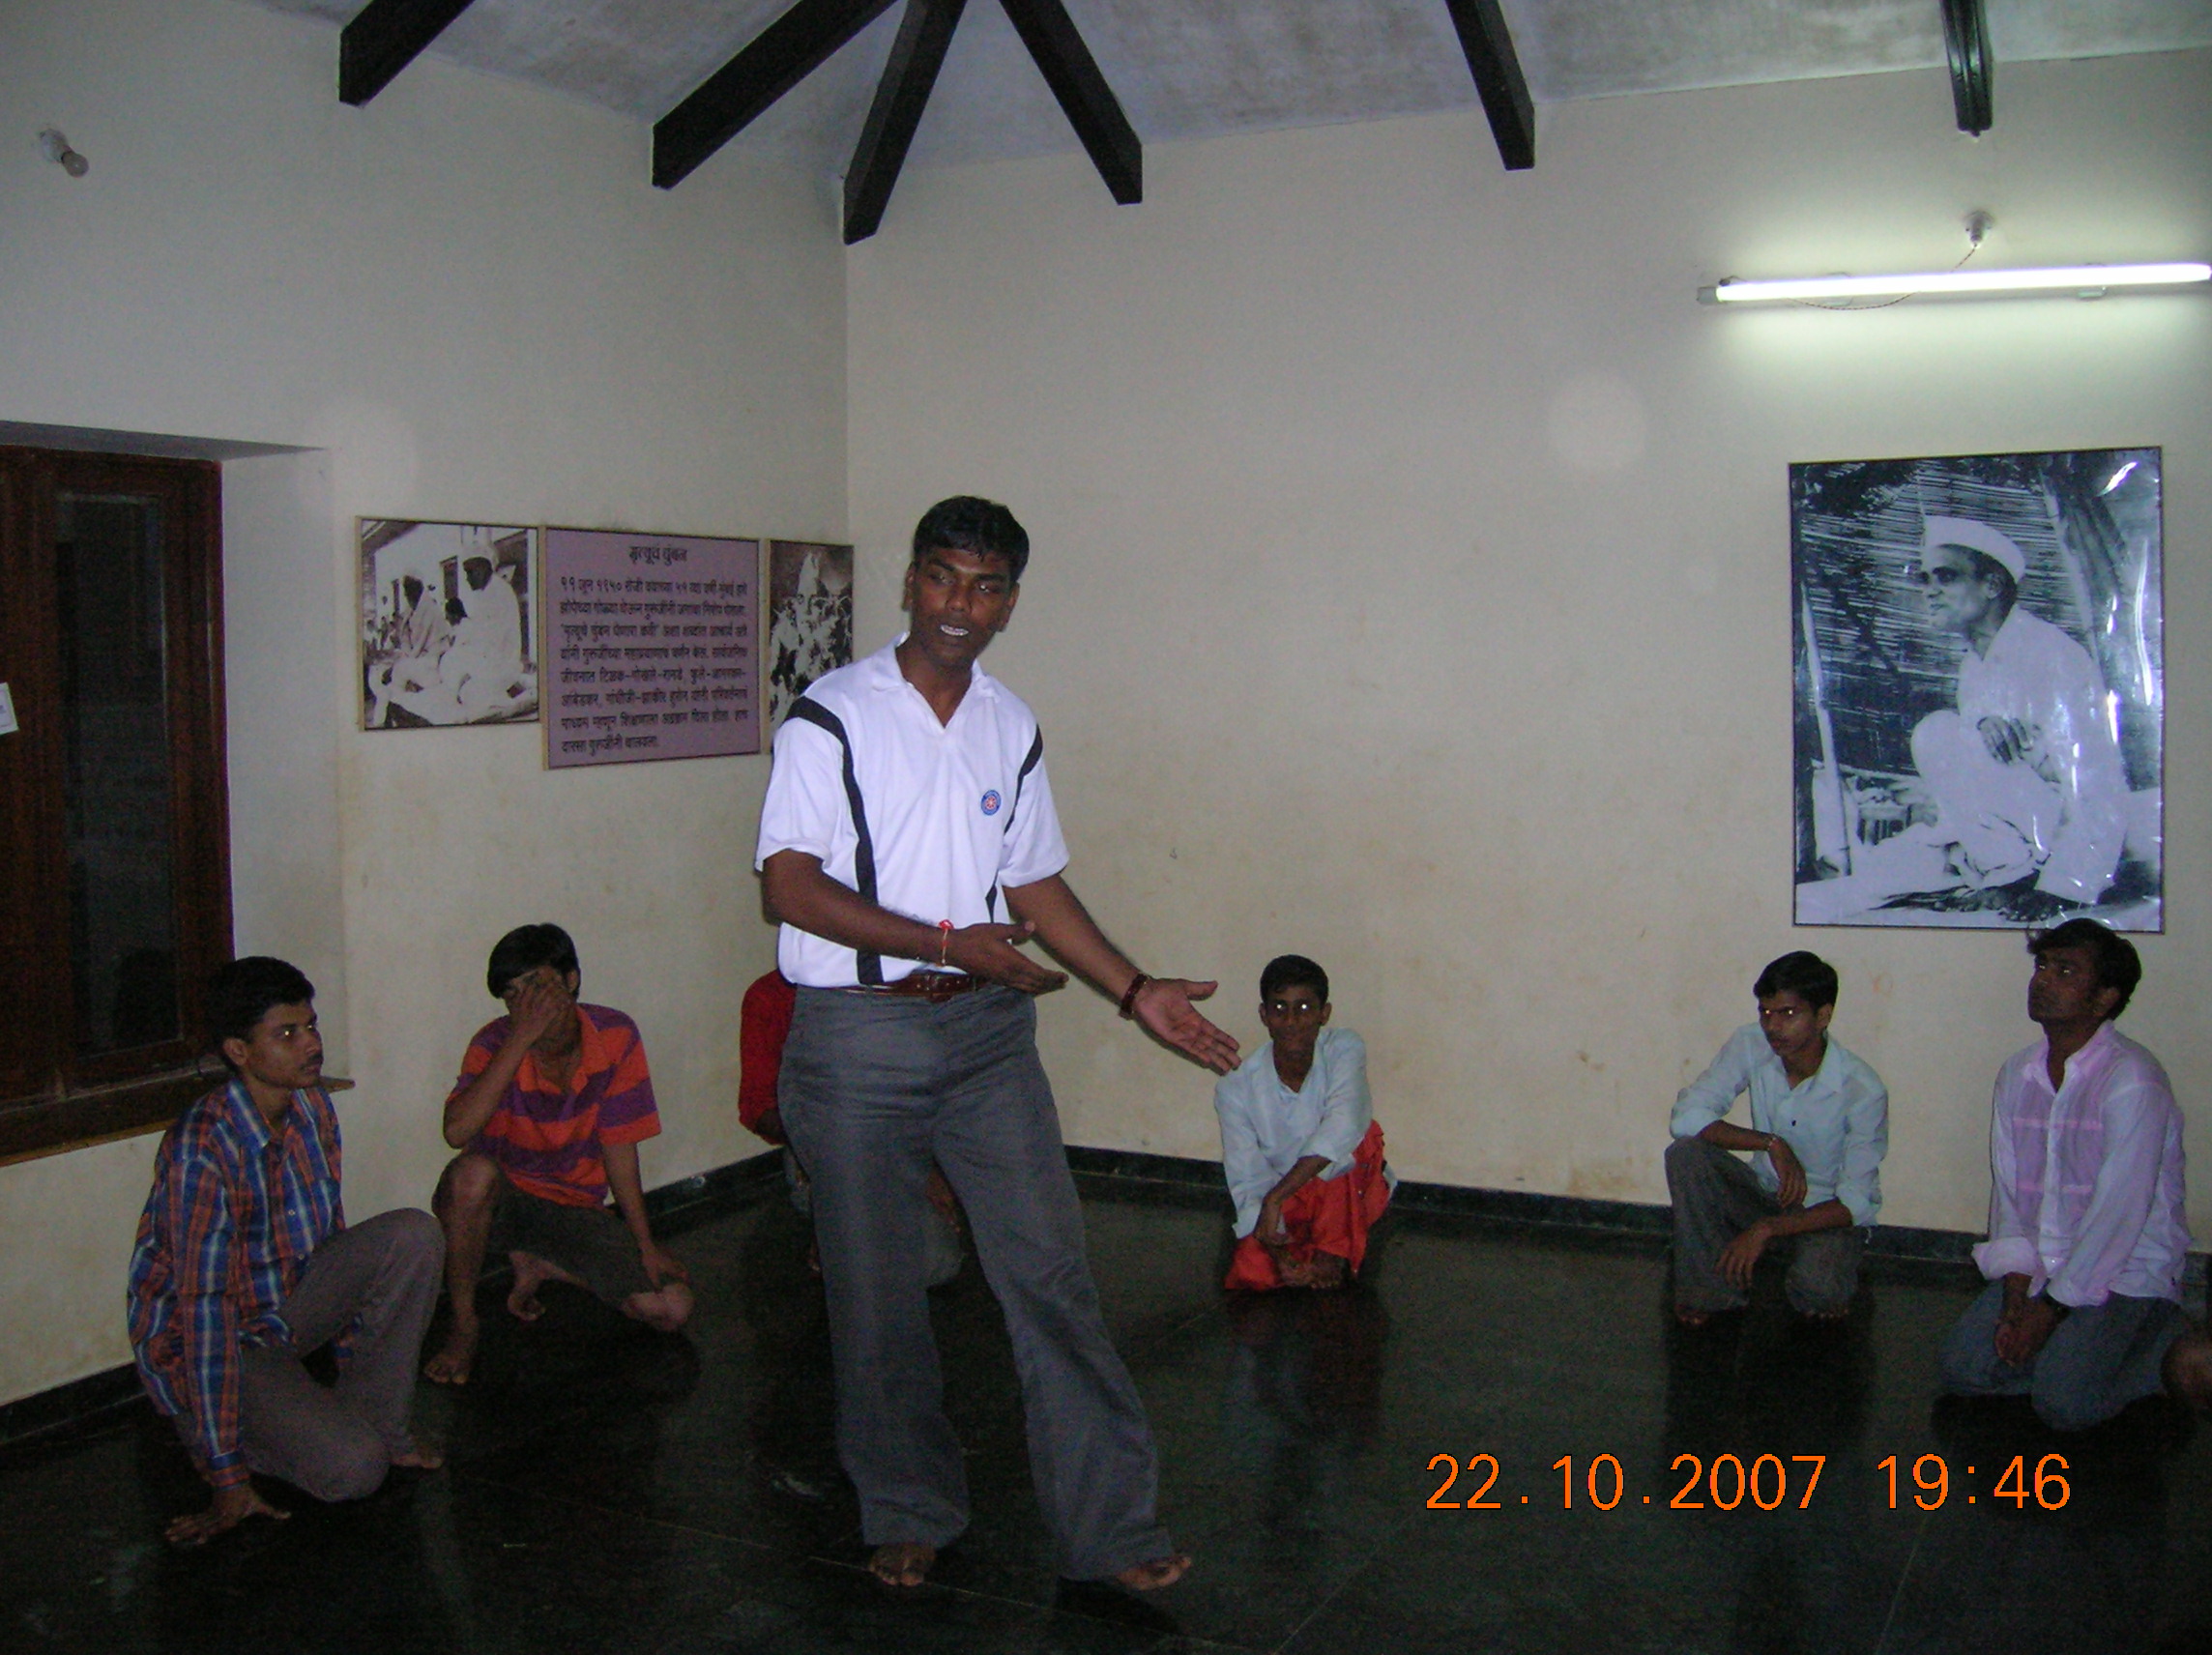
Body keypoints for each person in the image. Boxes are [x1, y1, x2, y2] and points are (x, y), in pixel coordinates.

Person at [755, 495, 1239, 1592]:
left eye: (984, 587)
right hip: (856, 1042)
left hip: (984, 1037)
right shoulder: (830, 717)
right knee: (878, 1294)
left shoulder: (1009, 725)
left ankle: (1111, 1531)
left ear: (1009, 602)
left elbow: (1032, 880)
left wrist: (1134, 989)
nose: (958, 605)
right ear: (909, 582)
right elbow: (789, 887)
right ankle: (908, 1507)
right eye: (941, 577)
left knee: (1051, 1276)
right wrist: (942, 940)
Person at [128, 957, 444, 1546]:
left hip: (282, 1311)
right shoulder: (202, 1151)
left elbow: (330, 1243)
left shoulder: (312, 1107)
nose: (312, 1044)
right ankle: (206, 1432)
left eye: (312, 1026)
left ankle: (381, 1426)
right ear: (239, 1051)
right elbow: (203, 1313)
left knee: (415, 1234)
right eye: (288, 1033)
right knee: (355, 1470)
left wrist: (355, 1376)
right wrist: (228, 1479)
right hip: (217, 1342)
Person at [1939, 919, 2193, 1429]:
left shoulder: (2132, 1080)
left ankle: (2165, 1340)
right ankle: (2071, 1359)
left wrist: (2048, 1312)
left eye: (2066, 971)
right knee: (1962, 1369)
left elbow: (2118, 1218)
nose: (2042, 980)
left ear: (2105, 998)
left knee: (2064, 1406)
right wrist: (2016, 1296)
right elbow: (2009, 1198)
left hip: (2125, 1271)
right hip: (2046, 1263)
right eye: (2042, 966)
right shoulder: (2018, 1074)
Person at [1809, 516, 2126, 919]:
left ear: (1991, 586)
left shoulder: (2053, 654)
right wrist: (1980, 728)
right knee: (1880, 875)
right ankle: (1998, 869)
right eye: (1924, 579)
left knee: (1936, 731)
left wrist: (2063, 886)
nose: (1930, 591)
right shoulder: (1973, 666)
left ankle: (2013, 877)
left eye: (1946, 577)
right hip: (2011, 834)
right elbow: (1979, 779)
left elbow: (2098, 784)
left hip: (2061, 834)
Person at [422, 924, 691, 1385]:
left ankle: (544, 1263)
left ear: (571, 980)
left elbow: (620, 1147)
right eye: (513, 993)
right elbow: (456, 1131)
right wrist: (520, 1039)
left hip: (574, 1208)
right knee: (471, 1174)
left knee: (672, 1308)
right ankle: (464, 1324)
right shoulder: (494, 1042)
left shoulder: (615, 1035)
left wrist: (643, 1244)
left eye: (537, 985)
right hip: (501, 1201)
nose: (526, 1003)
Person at [1666, 951, 1888, 1326]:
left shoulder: (1862, 1089)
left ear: (1823, 1016)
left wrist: (1766, 1228)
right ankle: (1709, 1290)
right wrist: (1771, 1143)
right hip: (1764, 1193)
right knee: (1686, 1154)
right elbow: (1687, 1116)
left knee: (1819, 1292)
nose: (1773, 1026)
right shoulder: (1752, 1043)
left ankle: (1782, 1251)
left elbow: (1857, 1202)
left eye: (1788, 1013)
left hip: (1823, 1213)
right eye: (1765, 1012)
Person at [740, 966, 964, 1286]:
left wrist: (928, 1166)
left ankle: (851, 1238)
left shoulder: (891, 986)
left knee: (939, 1261)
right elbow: (759, 1108)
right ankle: (845, 1235)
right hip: (822, 1149)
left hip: (902, 1142)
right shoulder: (769, 996)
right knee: (927, 1260)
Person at [1213, 954, 1394, 1292]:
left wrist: (1275, 1199)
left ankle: (1332, 1251)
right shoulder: (1235, 1087)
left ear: (1325, 1013)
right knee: (1254, 1274)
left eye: (1305, 1008)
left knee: (1358, 1137)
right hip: (1286, 1197)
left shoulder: (1343, 1047)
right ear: (1264, 1015)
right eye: (1279, 1009)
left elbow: (1344, 1125)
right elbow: (1247, 1176)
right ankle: (1312, 1251)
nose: (1292, 1021)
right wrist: (1278, 1250)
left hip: (1347, 1188)